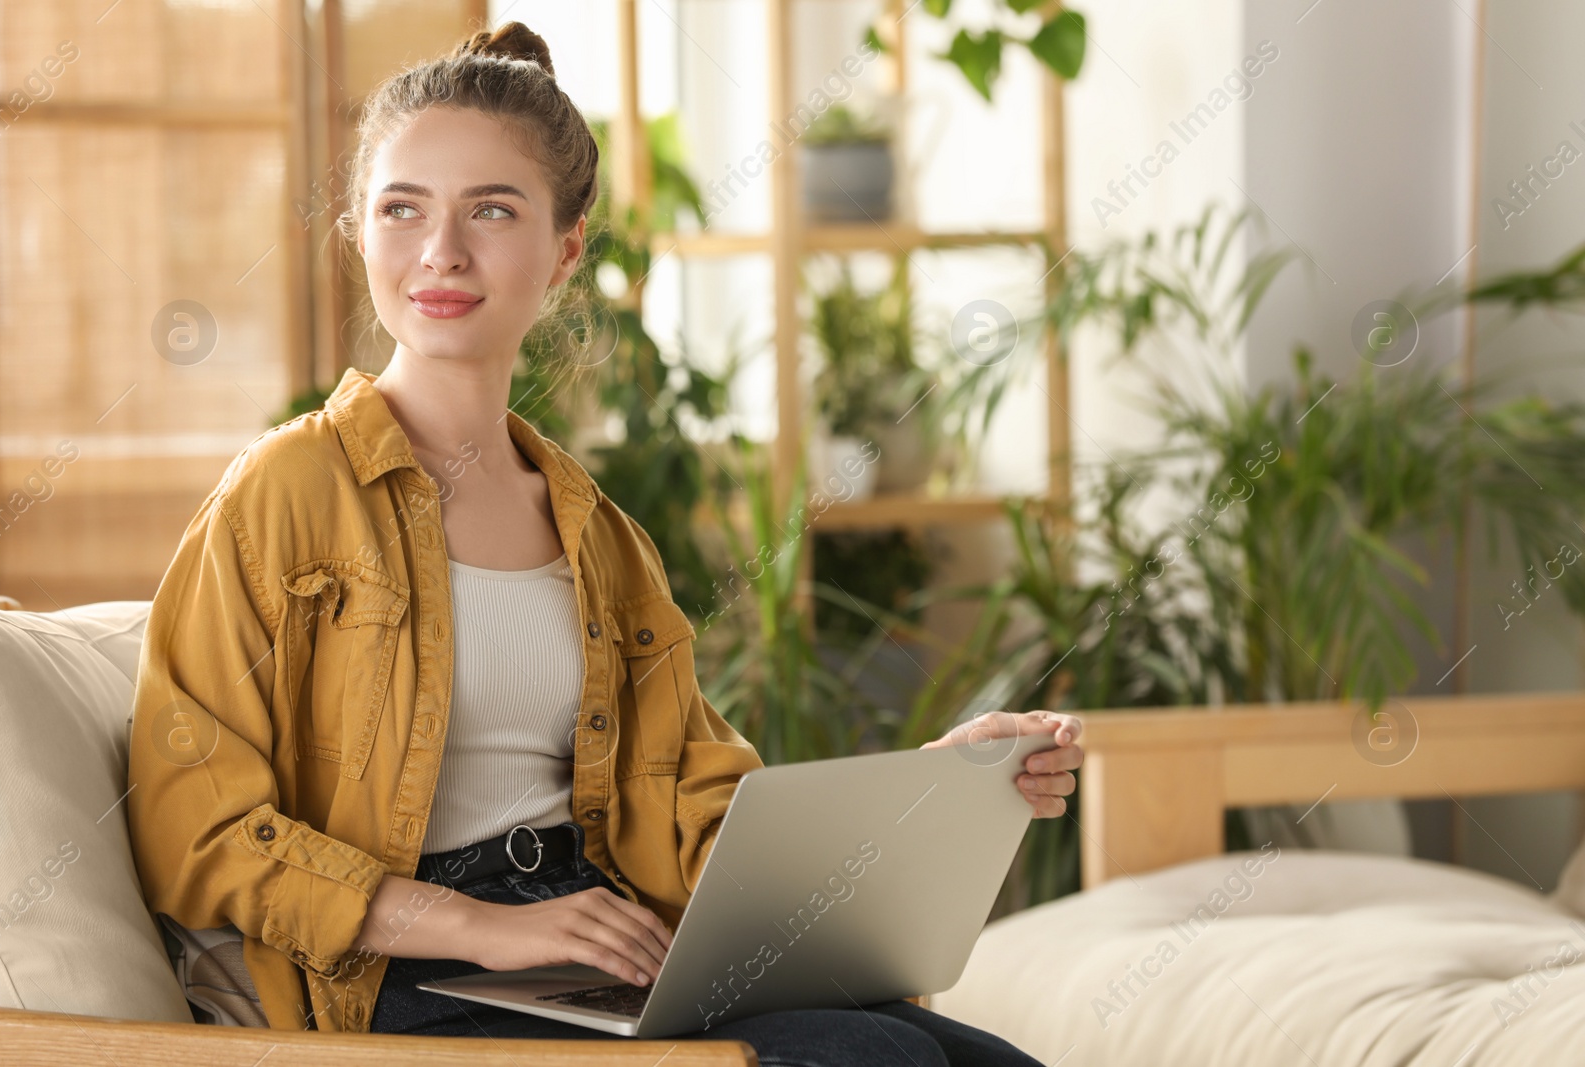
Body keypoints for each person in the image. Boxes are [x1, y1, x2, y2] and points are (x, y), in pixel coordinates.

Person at [126, 20, 1084, 1066]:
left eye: (492, 210)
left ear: (567, 246)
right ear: (357, 230)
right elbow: (193, 827)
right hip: (394, 973)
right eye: (403, 208)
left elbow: (696, 802)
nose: (441, 249)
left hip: (598, 936)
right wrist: (487, 927)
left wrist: (925, 790)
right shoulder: (283, 491)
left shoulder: (600, 534)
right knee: (874, 1059)